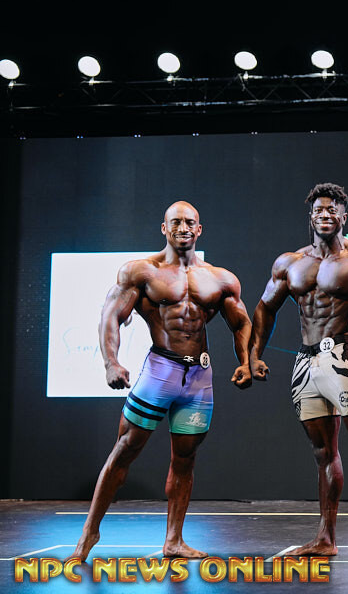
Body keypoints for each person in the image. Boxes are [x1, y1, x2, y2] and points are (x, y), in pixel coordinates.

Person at [71, 201, 252, 561]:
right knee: (125, 449)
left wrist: (247, 362)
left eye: (190, 222)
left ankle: (174, 540)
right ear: (164, 228)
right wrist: (111, 362)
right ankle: (89, 533)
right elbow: (110, 316)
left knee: (185, 459)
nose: (183, 228)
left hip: (199, 378)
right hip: (160, 371)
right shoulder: (141, 272)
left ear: (199, 229)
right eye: (176, 222)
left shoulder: (221, 278)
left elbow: (241, 322)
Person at [248, 183, 348, 565]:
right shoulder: (289, 263)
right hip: (305, 363)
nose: (325, 215)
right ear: (311, 216)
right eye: (319, 210)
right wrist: (253, 355)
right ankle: (325, 537)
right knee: (323, 452)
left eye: (332, 210)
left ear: (343, 216)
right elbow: (265, 307)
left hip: (341, 357)